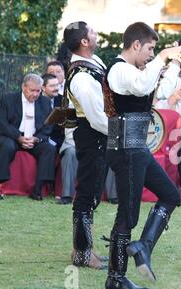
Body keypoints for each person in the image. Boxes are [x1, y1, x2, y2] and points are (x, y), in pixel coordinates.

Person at [104, 22, 181, 289]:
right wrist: (163, 56)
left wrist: (175, 62)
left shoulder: (137, 71)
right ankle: (116, 277)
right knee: (127, 216)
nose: (151, 54)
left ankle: (143, 246)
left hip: (137, 149)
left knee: (170, 195)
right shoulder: (120, 70)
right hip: (125, 150)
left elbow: (162, 91)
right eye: (150, 49)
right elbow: (144, 87)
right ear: (135, 45)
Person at [63, 21, 108, 270]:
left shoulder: (93, 63)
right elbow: (97, 117)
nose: (95, 33)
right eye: (92, 31)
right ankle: (82, 252)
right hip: (92, 136)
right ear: (83, 41)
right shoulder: (81, 76)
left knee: (91, 194)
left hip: (96, 136)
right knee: (86, 196)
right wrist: (119, 133)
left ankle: (83, 247)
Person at [0, 74, 56, 201]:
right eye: (32, 90)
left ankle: (38, 190)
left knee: (49, 149)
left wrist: (36, 139)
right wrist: (18, 137)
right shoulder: (8, 99)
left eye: (38, 90)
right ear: (23, 87)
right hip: (13, 137)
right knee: (6, 146)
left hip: (34, 139)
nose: (35, 94)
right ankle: (0, 185)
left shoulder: (45, 102)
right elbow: (2, 123)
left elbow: (48, 126)